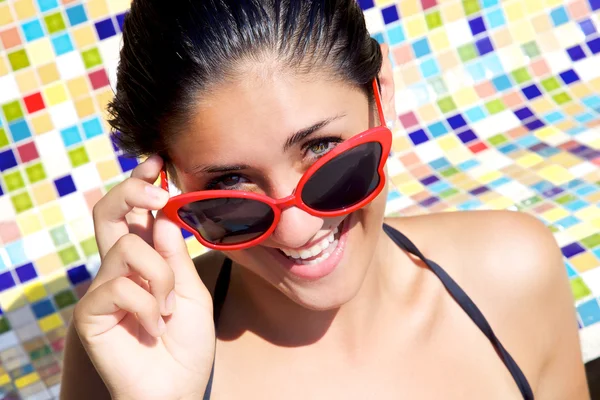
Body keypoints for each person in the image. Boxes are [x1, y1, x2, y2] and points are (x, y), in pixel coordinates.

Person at [60, 1, 589, 399]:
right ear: (169, 183)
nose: (295, 230)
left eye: (322, 153)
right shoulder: (130, 348)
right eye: (233, 187)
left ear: (381, 98)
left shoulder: (514, 271)